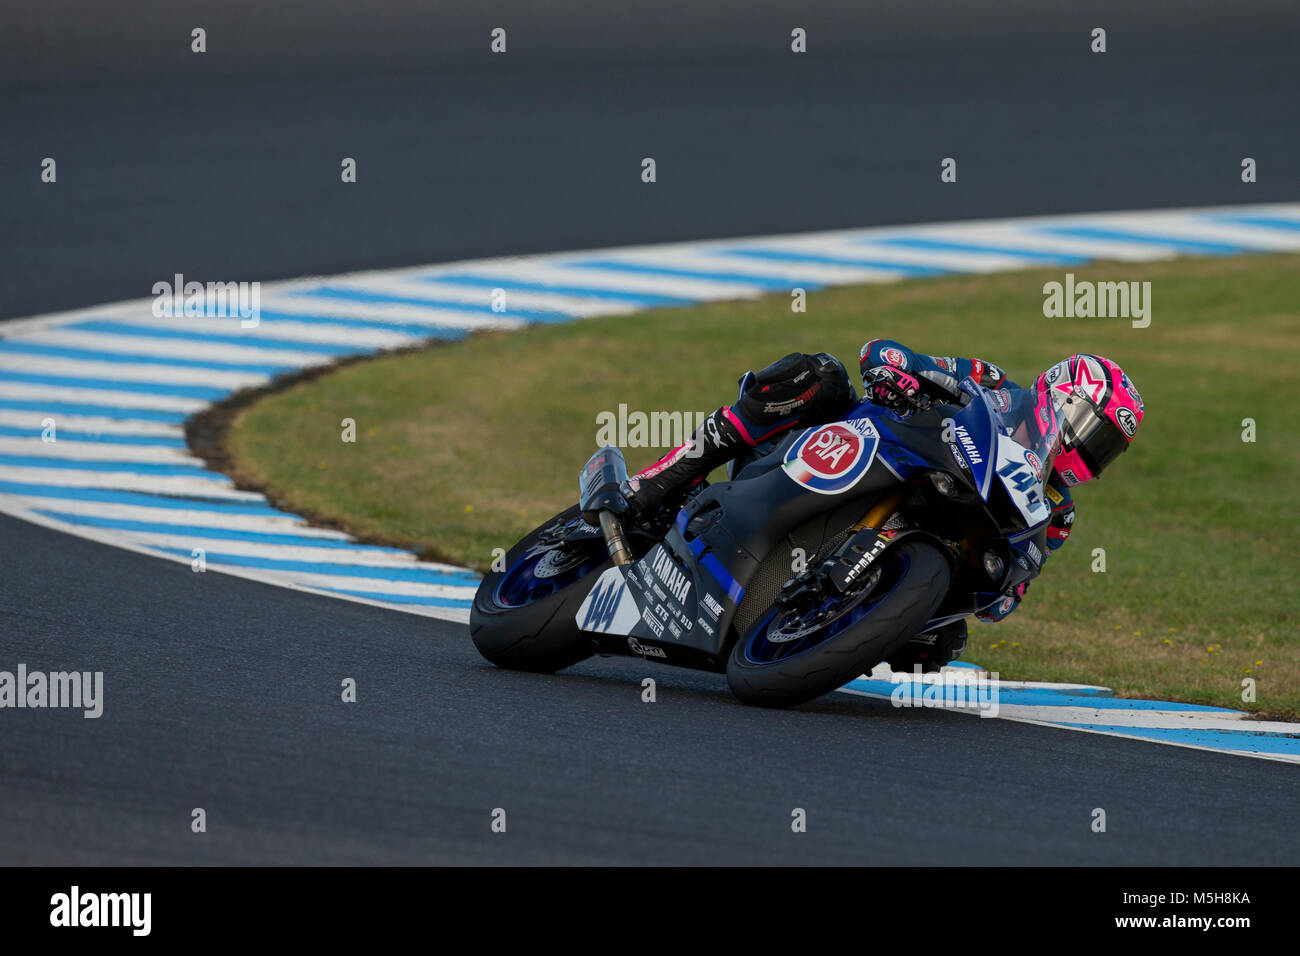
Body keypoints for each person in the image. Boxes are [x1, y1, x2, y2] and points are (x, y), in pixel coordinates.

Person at [621, 341, 1145, 670]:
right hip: (871, 443)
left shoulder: (1056, 513)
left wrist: (999, 594)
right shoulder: (996, 388)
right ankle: (663, 476)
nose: (1092, 452)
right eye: (1092, 430)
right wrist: (899, 371)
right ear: (1061, 394)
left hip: (935, 532)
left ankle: (825, 628)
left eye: (1106, 449)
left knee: (940, 646)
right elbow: (895, 356)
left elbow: (1011, 593)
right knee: (819, 375)